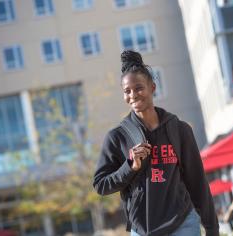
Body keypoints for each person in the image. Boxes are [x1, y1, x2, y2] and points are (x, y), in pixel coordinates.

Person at [92, 50, 219, 236]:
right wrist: (130, 166)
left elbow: (197, 181)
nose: (133, 95)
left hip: (183, 223)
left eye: (139, 88)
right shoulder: (117, 137)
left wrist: (211, 227)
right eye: (127, 91)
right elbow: (101, 184)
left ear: (152, 87)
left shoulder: (180, 130)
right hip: (143, 229)